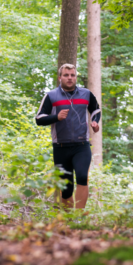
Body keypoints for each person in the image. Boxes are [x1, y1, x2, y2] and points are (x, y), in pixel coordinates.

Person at [35, 63, 101, 209]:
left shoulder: (86, 94)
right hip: (61, 147)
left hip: (81, 146)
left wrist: (95, 122)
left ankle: (78, 216)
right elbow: (39, 119)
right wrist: (56, 117)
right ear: (60, 77)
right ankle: (69, 221)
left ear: (76, 77)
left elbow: (96, 110)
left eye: (72, 75)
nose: (70, 78)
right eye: (66, 75)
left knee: (83, 177)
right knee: (66, 189)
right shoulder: (51, 96)